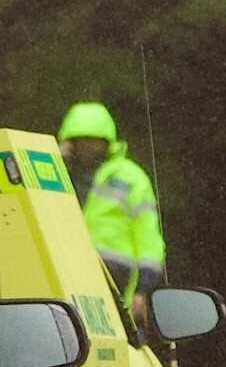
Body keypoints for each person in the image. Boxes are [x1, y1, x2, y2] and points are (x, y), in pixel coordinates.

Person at [58, 102, 165, 315]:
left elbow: (149, 238)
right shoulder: (54, 172)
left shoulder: (130, 177)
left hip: (115, 278)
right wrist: (53, 157)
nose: (87, 146)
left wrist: (144, 289)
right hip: (65, 270)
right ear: (69, 143)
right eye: (81, 140)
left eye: (93, 140)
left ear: (106, 142)